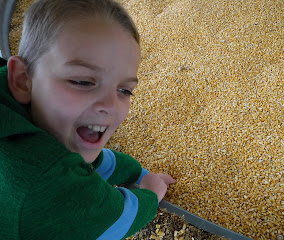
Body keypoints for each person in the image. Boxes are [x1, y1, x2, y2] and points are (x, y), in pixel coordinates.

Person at [0, 0, 176, 239]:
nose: (110, 106)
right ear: (22, 80)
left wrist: (137, 172)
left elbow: (83, 157)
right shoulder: (46, 182)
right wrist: (150, 193)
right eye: (83, 82)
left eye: (124, 90)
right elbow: (113, 220)